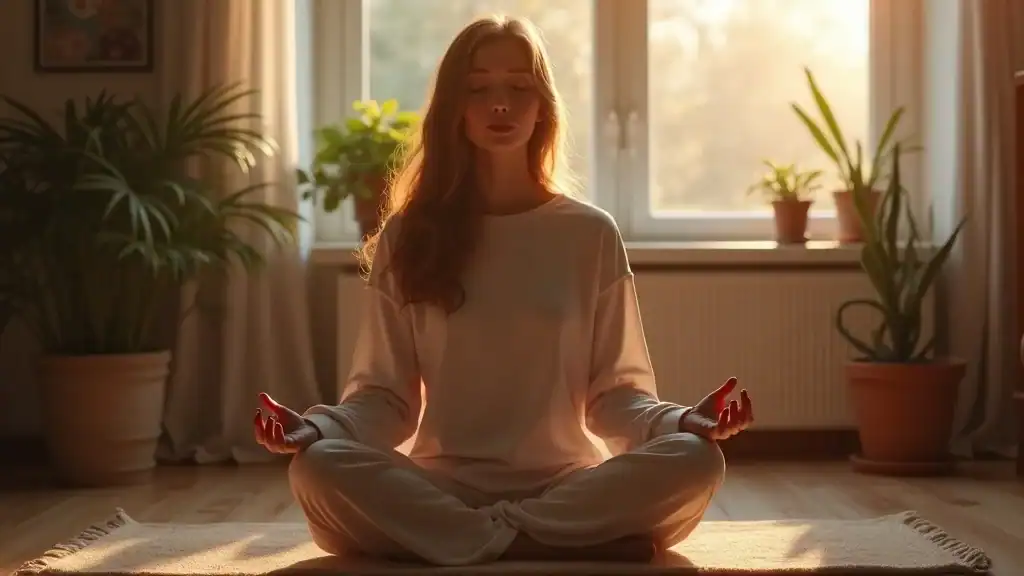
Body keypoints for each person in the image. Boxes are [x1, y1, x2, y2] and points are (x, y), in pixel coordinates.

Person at [253, 14, 754, 566]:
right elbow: (386, 399)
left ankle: (464, 539)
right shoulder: (409, 235)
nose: (500, 104)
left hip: (565, 486)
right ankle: (552, 540)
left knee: (696, 459)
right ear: (453, 107)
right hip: (444, 485)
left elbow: (615, 397)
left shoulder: (589, 233)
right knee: (316, 466)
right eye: (478, 88)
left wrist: (681, 422)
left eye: (519, 87)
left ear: (543, 106)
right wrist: (317, 426)